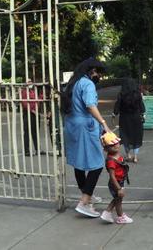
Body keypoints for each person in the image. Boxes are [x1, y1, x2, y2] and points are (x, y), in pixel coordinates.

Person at [62, 58, 111, 218]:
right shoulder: (88, 84)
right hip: (85, 127)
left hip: (72, 126)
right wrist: (103, 123)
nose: (99, 76)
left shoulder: (74, 83)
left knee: (79, 163)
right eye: (97, 72)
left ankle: (87, 196)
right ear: (91, 70)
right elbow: (90, 105)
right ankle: (84, 202)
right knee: (97, 164)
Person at [100, 132, 133, 224]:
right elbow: (112, 176)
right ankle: (120, 216)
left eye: (116, 143)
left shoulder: (117, 155)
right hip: (116, 182)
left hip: (120, 181)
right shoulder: (111, 160)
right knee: (118, 200)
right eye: (112, 145)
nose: (115, 146)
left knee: (118, 199)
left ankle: (108, 212)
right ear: (106, 149)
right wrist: (119, 188)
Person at [112, 78, 145, 163]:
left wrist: (114, 114)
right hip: (136, 118)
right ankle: (135, 157)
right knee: (136, 136)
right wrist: (143, 114)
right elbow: (142, 107)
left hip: (124, 118)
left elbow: (117, 105)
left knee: (125, 136)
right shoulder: (138, 94)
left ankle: (128, 155)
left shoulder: (121, 94)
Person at [20, 78, 46, 156]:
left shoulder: (33, 91)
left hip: (35, 113)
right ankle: (27, 150)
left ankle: (38, 149)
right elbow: (24, 103)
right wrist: (32, 110)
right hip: (28, 113)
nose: (29, 83)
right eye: (28, 82)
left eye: (30, 81)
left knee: (35, 132)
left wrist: (42, 95)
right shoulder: (24, 92)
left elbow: (38, 100)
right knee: (27, 132)